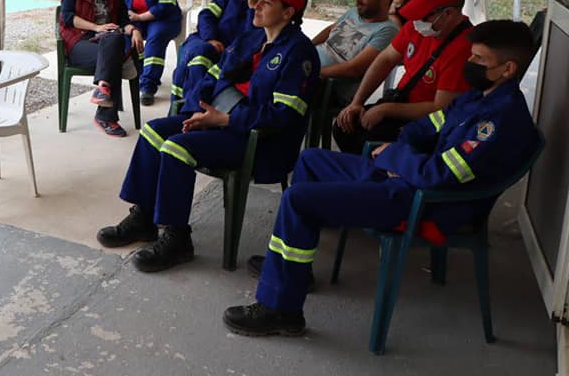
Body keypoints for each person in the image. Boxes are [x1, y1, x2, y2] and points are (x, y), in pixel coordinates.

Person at [222, 20, 541, 338]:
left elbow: (437, 175)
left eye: (479, 60)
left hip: (424, 203)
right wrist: (402, 149)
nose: (468, 64)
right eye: (470, 55)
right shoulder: (478, 96)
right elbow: (426, 127)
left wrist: (396, 159)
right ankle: (296, 271)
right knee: (310, 160)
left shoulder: (500, 120)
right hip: (405, 178)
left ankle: (282, 309)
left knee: (298, 200)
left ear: (507, 69)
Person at [96, 0, 319, 272]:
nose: (255, 6)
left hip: (258, 140)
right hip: (218, 119)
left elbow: (284, 115)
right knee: (153, 131)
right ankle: (144, 218)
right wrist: (197, 111)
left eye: (266, 1)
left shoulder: (299, 52)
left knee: (176, 148)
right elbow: (214, 74)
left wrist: (224, 119)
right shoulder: (254, 37)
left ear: (288, 12)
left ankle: (177, 239)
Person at [332, 0, 473, 155]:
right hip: (400, 102)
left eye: (423, 16)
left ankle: (377, 180)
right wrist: (357, 102)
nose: (416, 22)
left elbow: (440, 108)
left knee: (371, 140)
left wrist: (386, 110)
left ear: (448, 13)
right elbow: (386, 59)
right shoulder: (417, 27)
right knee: (344, 127)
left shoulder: (465, 48)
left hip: (428, 124)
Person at [169, 0, 288, 105]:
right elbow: (207, 14)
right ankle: (185, 107)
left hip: (233, 55)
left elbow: (252, 40)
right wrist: (210, 38)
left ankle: (188, 108)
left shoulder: (268, 13)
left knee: (191, 67)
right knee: (200, 53)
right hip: (205, 39)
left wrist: (252, 7)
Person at [60, 0, 144, 137]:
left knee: (114, 38)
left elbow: (124, 21)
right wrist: (96, 27)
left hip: (108, 42)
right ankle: (106, 116)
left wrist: (135, 30)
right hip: (79, 42)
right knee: (113, 54)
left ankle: (103, 89)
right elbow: (66, 17)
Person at [310, 0, 399, 106]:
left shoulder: (387, 31)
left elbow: (354, 69)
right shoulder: (353, 13)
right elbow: (330, 30)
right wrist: (307, 46)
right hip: (310, 67)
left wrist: (313, 71)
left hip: (329, 86)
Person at [117, 0, 182, 106]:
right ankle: (139, 74)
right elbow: (119, 2)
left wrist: (140, 17)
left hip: (163, 19)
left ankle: (148, 87)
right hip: (137, 18)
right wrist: (132, 21)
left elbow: (166, 4)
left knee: (155, 37)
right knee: (124, 36)